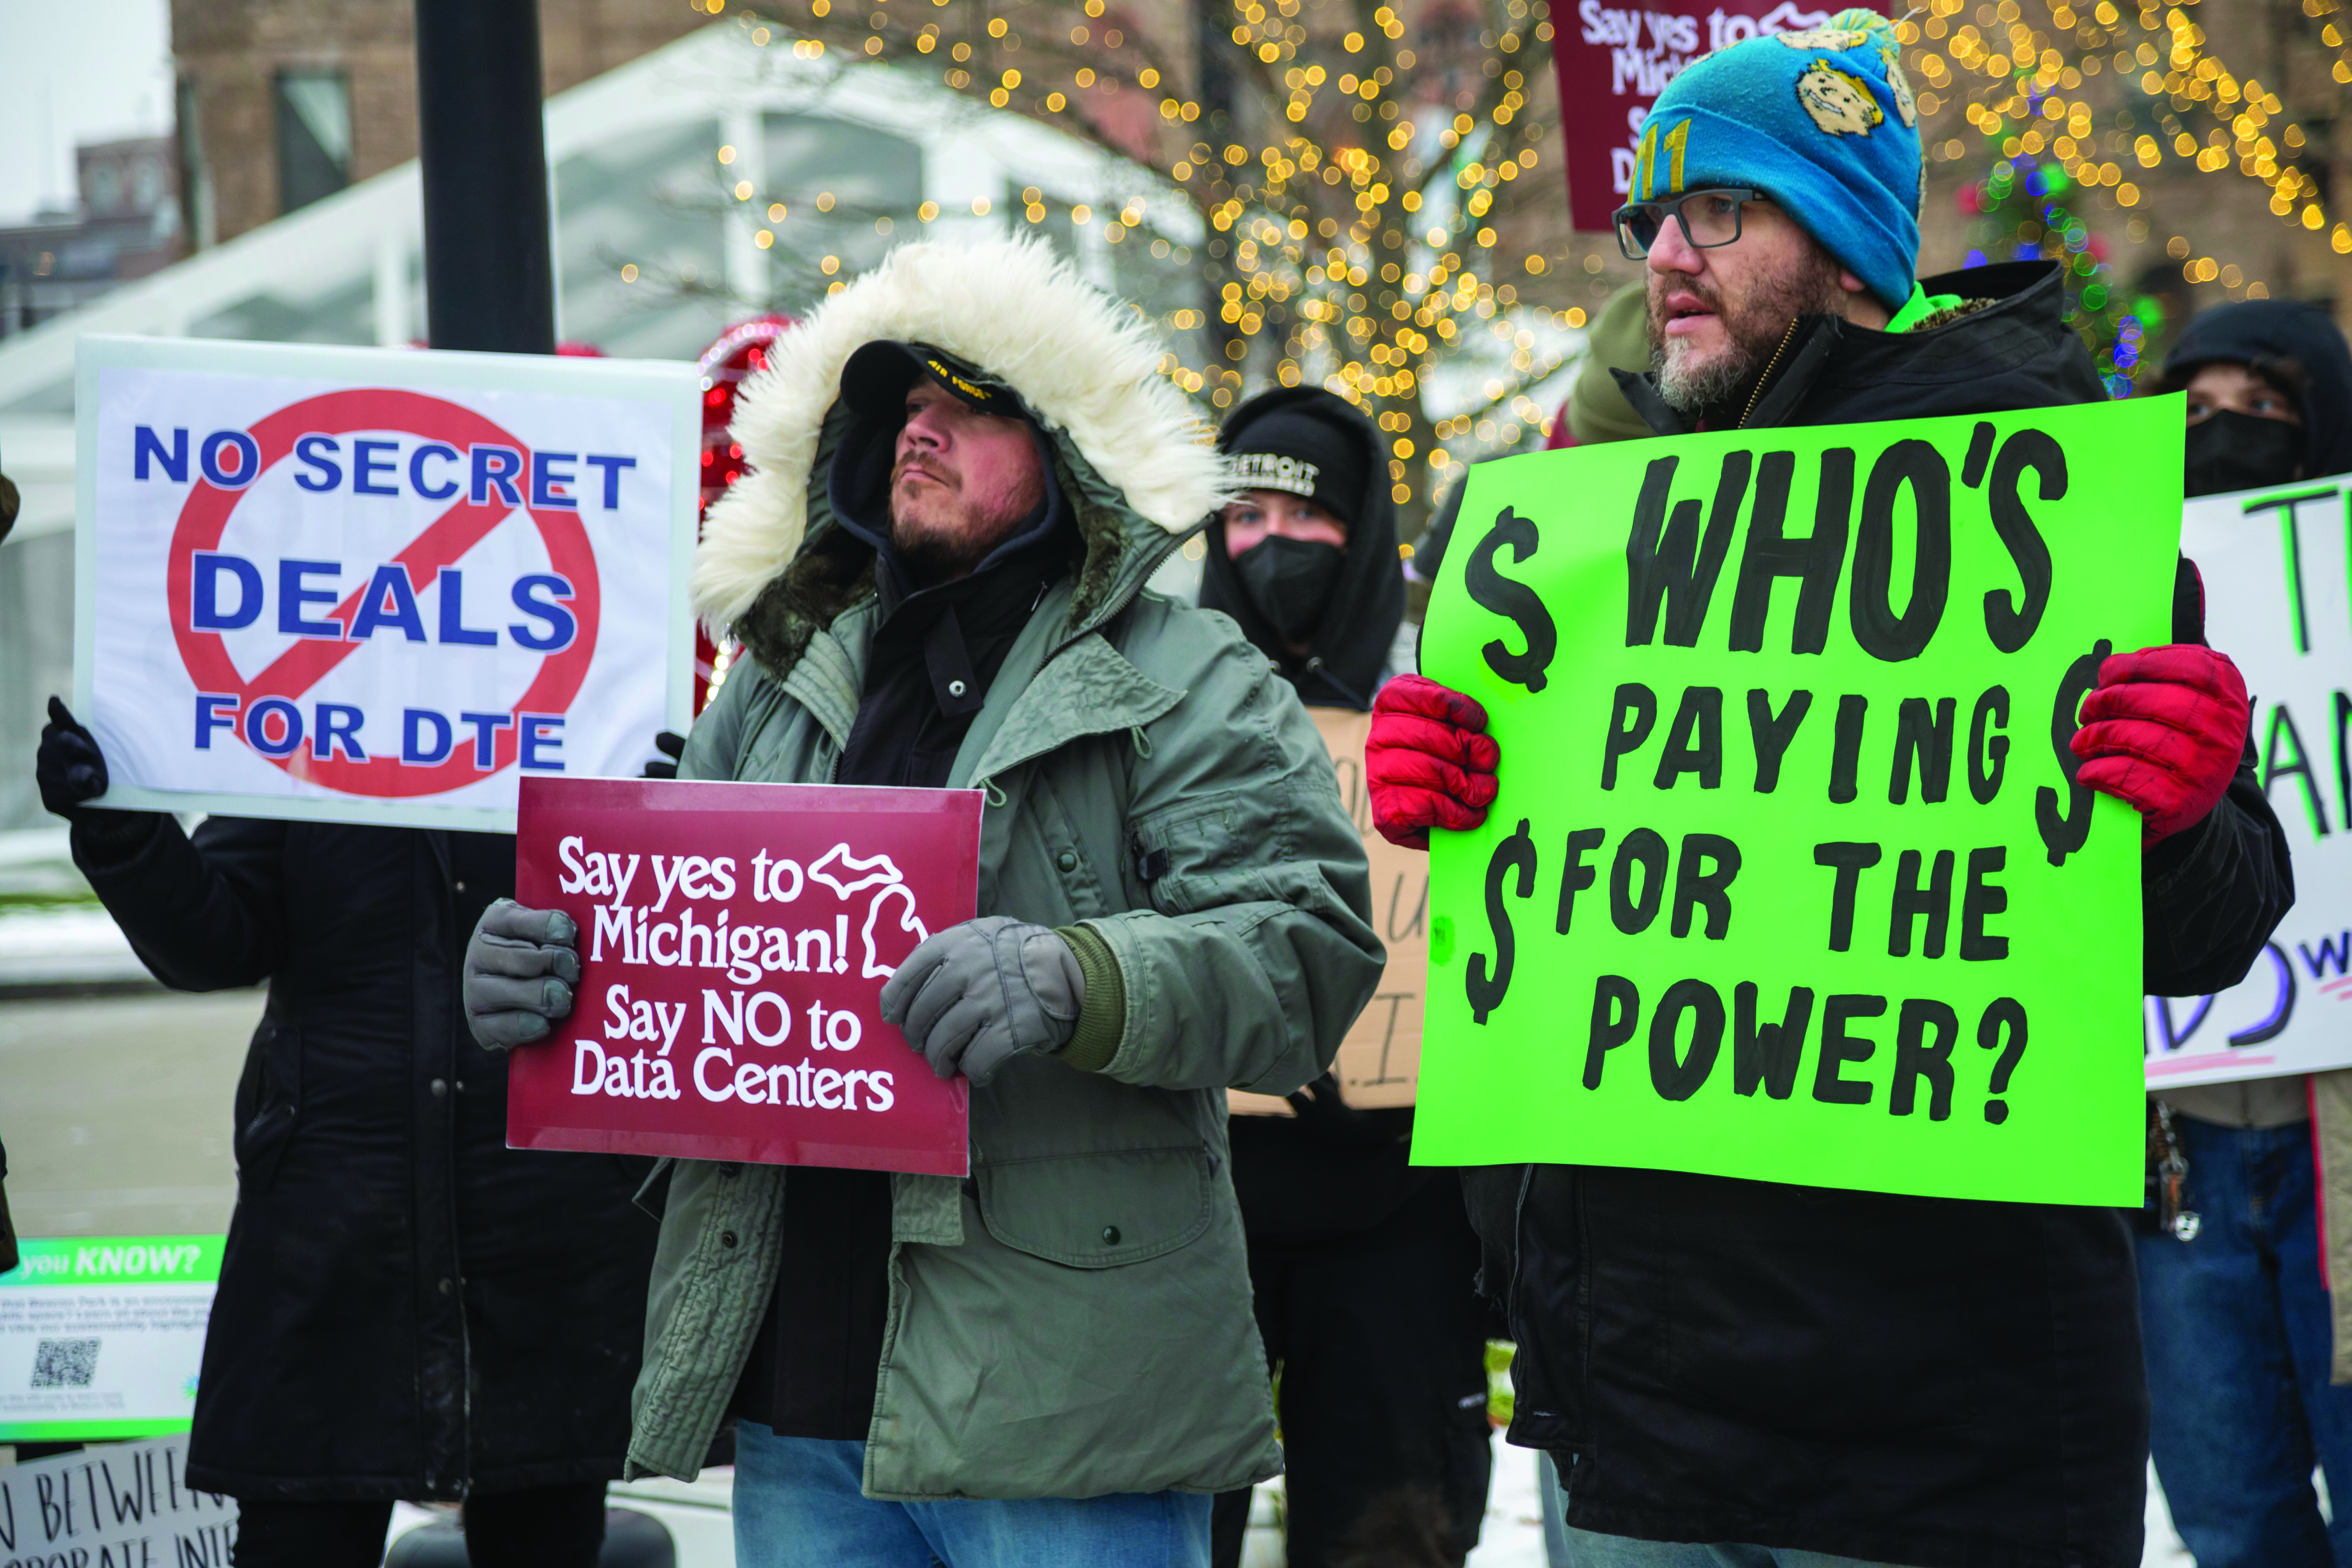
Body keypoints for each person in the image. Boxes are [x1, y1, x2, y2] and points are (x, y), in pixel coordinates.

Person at [1362, 12, 2295, 1566]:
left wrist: (2186, 806)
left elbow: (2212, 928)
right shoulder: (1590, 542)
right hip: (1638, 1424)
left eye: (1721, 208)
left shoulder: (2041, 502)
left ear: (1852, 240)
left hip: (1939, 1438)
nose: (1667, 251)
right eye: (1652, 216)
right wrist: (1461, 784)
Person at [459, 235, 1385, 1568]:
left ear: (1063, 442)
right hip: (803, 1411)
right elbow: (683, 996)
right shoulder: (774, 683)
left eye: (968, 402)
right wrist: (560, 989)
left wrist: (1082, 978)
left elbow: (1304, 959)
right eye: (900, 407)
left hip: (1068, 1419)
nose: (920, 432)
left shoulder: (1188, 674)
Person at [32, 715, 658, 1564]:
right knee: (302, 1531)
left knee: (544, 1524)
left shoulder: (602, 720)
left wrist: (683, 816)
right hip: (330, 1239)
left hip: (543, 1231)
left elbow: (677, 952)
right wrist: (122, 828)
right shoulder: (320, 725)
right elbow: (213, 943)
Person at [1197, 389, 1493, 1568]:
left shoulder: (1447, 692)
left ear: (1363, 527)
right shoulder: (1152, 695)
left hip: (1396, 1214)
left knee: (1392, 1531)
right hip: (1197, 1207)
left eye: (1308, 517)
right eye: (1247, 513)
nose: (1274, 543)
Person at [2135, 298, 2352, 1567]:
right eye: (2197, 415)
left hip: (2335, 1143)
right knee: (2231, 1517)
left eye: (2265, 414)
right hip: (2180, 1153)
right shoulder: (2120, 598)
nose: (2225, 440)